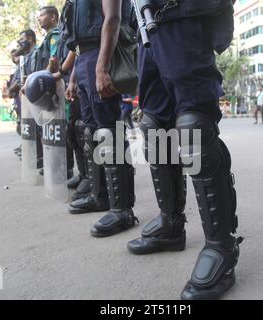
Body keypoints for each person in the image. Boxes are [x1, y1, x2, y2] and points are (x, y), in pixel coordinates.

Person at [127, 0, 242, 300]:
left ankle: (221, 246)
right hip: (144, 22)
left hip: (181, 12)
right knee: (154, 127)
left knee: (194, 128)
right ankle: (171, 224)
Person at [66, 0, 139, 237]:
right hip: (85, 57)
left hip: (102, 52)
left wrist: (102, 66)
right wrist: (75, 75)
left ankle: (122, 210)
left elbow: (113, 18)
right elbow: (78, 44)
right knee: (92, 132)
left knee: (109, 133)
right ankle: (101, 196)